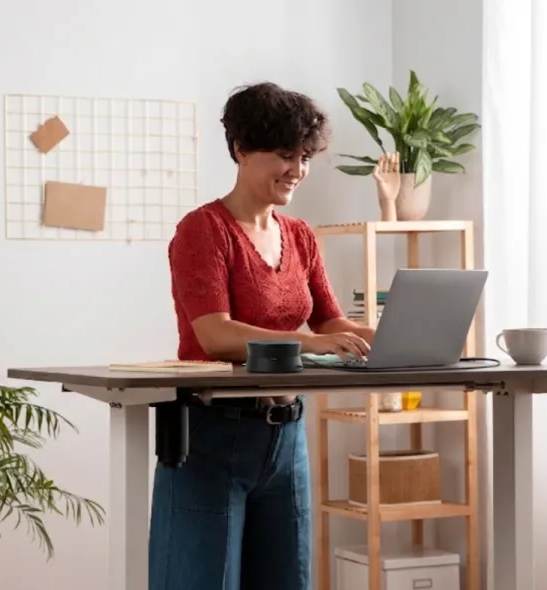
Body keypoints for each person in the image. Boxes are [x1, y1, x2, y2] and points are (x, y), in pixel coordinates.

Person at [148, 82, 376, 590]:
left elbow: (329, 322)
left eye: (303, 157)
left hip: (287, 436)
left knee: (288, 581)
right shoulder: (203, 231)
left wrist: (387, 334)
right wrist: (313, 345)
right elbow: (215, 335)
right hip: (212, 434)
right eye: (283, 155)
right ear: (240, 150)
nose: (297, 170)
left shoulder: (300, 236)